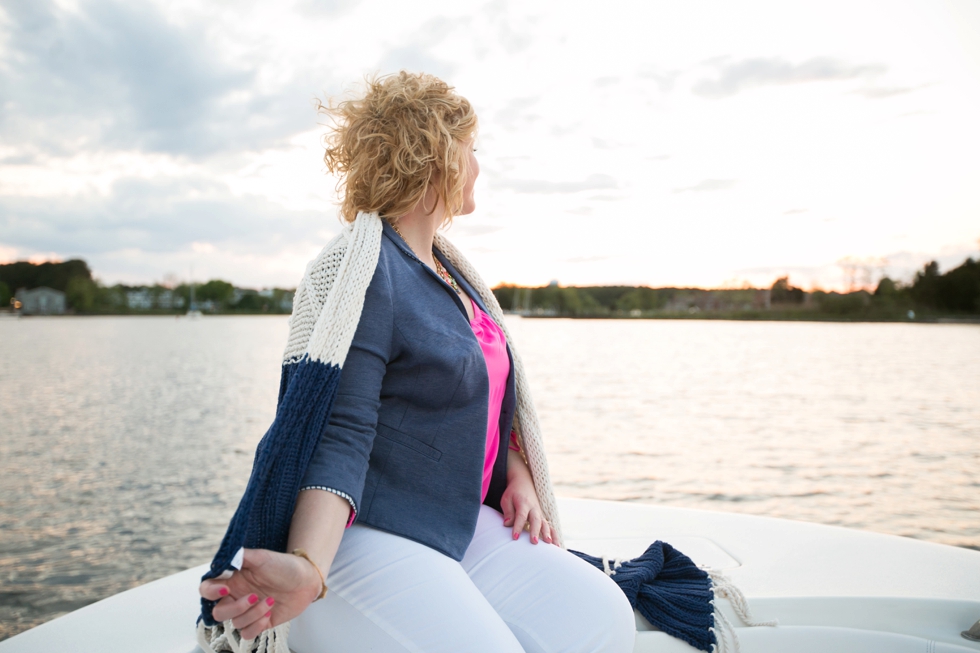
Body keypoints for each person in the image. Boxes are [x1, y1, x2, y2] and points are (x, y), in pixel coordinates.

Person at [198, 71, 635, 653]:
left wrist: (520, 474)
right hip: (365, 531)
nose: (479, 164)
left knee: (600, 616)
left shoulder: (456, 278)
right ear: (439, 154)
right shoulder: (369, 270)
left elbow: (483, 401)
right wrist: (308, 562)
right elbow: (343, 430)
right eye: (472, 148)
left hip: (453, 518)